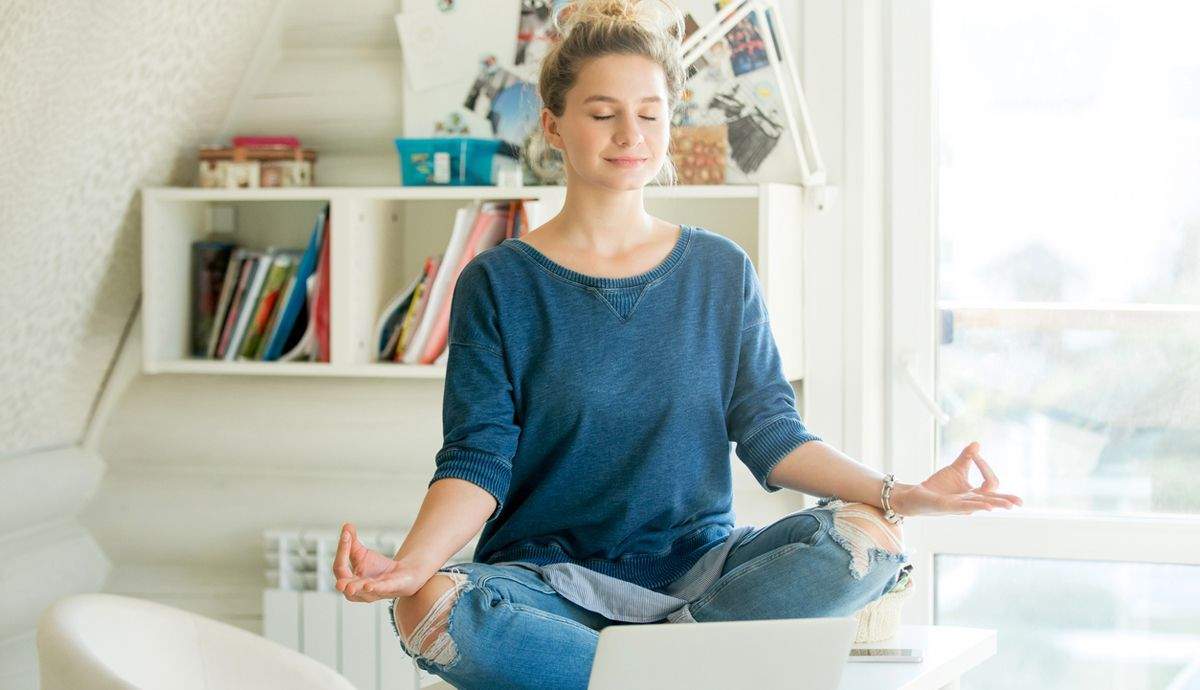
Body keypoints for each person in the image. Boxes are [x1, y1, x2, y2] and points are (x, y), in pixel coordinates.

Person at [334, 1, 1024, 688]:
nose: (629, 133)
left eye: (651, 113)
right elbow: (477, 461)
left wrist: (901, 492)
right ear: (554, 125)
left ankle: (649, 667)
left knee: (869, 540)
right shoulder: (499, 282)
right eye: (603, 114)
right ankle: (684, 675)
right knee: (426, 606)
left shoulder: (720, 270)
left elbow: (773, 436)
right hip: (549, 585)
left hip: (699, 578)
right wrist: (412, 565)